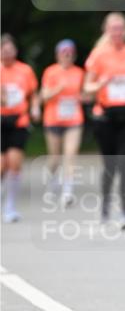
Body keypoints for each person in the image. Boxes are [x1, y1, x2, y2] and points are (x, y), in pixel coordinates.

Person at [84, 13, 125, 229]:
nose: (117, 32)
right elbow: (87, 88)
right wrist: (101, 84)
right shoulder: (98, 55)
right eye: (113, 28)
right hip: (105, 117)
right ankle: (105, 207)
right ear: (106, 31)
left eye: (121, 28)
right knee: (110, 165)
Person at [40, 39, 86, 207]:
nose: (67, 55)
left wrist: (84, 97)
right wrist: (56, 90)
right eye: (63, 52)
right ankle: (52, 182)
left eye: (70, 52)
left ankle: (67, 192)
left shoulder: (80, 72)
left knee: (70, 155)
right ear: (57, 55)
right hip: (53, 119)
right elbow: (43, 96)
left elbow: (86, 95)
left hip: (74, 119)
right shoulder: (50, 72)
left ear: (73, 55)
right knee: (55, 158)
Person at [1, 34, 40, 222]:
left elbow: (33, 94)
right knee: (2, 165)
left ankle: (10, 207)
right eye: (4, 50)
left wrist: (34, 107)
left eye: (10, 50)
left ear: (15, 51)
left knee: (14, 164)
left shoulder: (25, 70)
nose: (7, 54)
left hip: (19, 121)